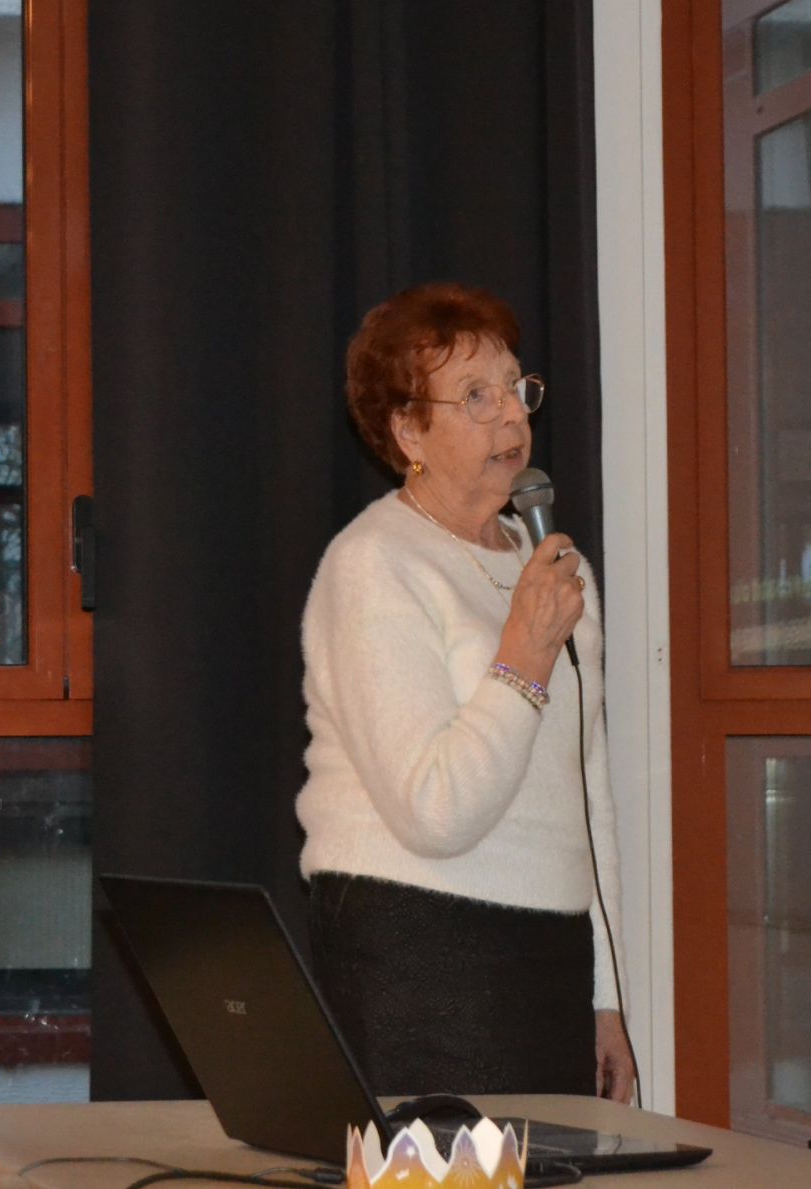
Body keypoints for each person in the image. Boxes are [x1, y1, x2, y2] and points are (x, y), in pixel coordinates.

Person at [296, 281, 634, 1102]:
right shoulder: (374, 565)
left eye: (516, 387)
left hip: (550, 958)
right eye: (476, 396)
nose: (512, 415)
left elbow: (586, 792)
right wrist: (525, 654)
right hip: (419, 954)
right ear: (409, 430)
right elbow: (434, 810)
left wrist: (606, 996)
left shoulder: (554, 569)